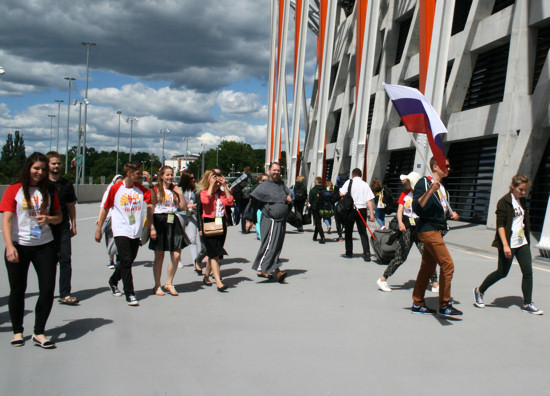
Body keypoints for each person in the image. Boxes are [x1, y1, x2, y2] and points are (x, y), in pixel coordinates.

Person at [1, 152, 62, 348]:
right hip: (19, 245)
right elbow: (7, 220)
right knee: (18, 290)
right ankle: (17, 331)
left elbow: (59, 217)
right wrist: (9, 245)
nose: (40, 172)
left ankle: (39, 332)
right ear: (28, 168)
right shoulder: (14, 190)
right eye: (36, 168)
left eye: (43, 170)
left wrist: (50, 219)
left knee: (47, 289)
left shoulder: (50, 190)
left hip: (44, 246)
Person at [473, 174, 543, 315]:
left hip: (522, 243)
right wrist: (505, 245)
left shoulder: (522, 201)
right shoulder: (504, 202)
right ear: (513, 186)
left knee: (528, 272)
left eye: (525, 190)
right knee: (502, 272)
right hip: (508, 243)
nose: (523, 193)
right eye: (521, 190)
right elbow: (500, 226)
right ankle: (479, 291)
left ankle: (528, 303)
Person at [95, 162, 155, 306]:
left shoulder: (140, 189)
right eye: (138, 173)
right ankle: (130, 293)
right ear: (129, 173)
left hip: (136, 230)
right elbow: (105, 208)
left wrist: (150, 184)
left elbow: (153, 200)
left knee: (128, 260)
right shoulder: (116, 188)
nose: (140, 175)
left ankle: (113, 280)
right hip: (121, 229)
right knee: (126, 259)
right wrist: (99, 230)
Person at [411, 157, 461, 317]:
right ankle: (445, 304)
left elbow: (441, 210)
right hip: (428, 230)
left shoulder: (443, 189)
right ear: (435, 167)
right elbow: (417, 207)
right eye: (445, 166)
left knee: (427, 268)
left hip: (436, 230)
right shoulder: (424, 183)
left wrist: (452, 214)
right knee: (447, 265)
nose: (449, 168)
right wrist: (430, 191)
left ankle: (417, 303)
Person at [376, 171, 439, 292]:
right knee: (401, 256)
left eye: (409, 181)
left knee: (428, 255)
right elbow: (400, 210)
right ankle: (383, 278)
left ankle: (435, 283)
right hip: (407, 227)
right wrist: (400, 223)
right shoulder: (405, 194)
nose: (406, 183)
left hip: (420, 227)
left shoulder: (423, 195)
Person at [148, 166, 187, 296]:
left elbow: (183, 207)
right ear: (161, 176)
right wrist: (151, 227)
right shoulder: (156, 190)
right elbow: (150, 209)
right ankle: (157, 285)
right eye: (167, 175)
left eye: (172, 175)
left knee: (176, 255)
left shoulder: (175, 190)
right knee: (159, 256)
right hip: (159, 220)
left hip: (173, 221)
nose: (170, 177)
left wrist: (180, 194)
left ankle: (169, 282)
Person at [46, 151, 79, 305]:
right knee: (48, 262)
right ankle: (46, 291)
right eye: (53, 163)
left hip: (63, 226)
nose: (57, 166)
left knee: (65, 259)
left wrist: (74, 224)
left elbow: (71, 206)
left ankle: (65, 293)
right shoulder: (42, 184)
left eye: (58, 163)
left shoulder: (66, 184)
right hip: (45, 229)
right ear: (48, 165)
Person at [250, 162, 291, 282]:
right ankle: (263, 268)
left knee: (277, 246)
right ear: (269, 170)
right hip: (270, 219)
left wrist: (289, 200)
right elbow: (254, 203)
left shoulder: (282, 185)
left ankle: (268, 270)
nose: (276, 173)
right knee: (270, 245)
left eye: (278, 170)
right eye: (274, 170)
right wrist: (250, 220)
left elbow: (288, 197)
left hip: (281, 220)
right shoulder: (264, 186)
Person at [198, 169, 234, 292]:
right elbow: (205, 201)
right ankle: (219, 282)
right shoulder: (204, 192)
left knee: (216, 252)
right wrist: (211, 186)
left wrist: (224, 185)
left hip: (221, 223)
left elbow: (230, 201)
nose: (217, 184)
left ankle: (206, 276)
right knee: (214, 254)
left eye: (218, 181)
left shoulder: (221, 194)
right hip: (209, 223)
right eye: (215, 181)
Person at [339, 168, 376, 261]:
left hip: (350, 209)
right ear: (361, 175)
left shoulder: (349, 182)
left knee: (348, 231)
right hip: (362, 209)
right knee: (363, 232)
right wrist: (372, 214)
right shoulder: (365, 184)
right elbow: (369, 200)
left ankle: (349, 251)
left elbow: (341, 193)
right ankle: (367, 253)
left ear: (353, 175)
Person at [177, 170, 203, 274]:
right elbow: (177, 204)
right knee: (179, 238)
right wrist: (188, 206)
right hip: (181, 214)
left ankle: (195, 261)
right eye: (191, 178)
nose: (193, 180)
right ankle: (178, 260)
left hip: (191, 215)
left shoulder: (194, 189)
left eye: (193, 178)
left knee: (193, 239)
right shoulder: (179, 189)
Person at [97, 175, 124, 269]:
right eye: (118, 182)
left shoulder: (124, 192)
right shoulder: (109, 192)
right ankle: (111, 259)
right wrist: (100, 219)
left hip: (120, 220)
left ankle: (119, 258)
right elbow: (103, 207)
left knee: (120, 239)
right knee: (110, 240)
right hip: (109, 219)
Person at [231, 166, 255, 233]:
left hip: (241, 197)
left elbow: (232, 183)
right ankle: (248, 227)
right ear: (249, 171)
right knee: (249, 212)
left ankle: (243, 229)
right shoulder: (250, 178)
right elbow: (255, 184)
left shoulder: (241, 177)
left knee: (243, 213)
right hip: (249, 197)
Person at [308, 177, 327, 244]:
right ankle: (315, 236)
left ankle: (322, 237)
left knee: (318, 222)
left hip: (315, 208)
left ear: (316, 182)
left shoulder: (313, 190)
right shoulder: (324, 189)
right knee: (318, 221)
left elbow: (310, 200)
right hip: (323, 207)